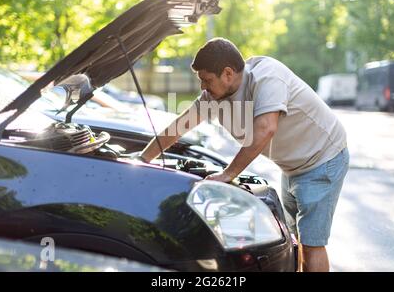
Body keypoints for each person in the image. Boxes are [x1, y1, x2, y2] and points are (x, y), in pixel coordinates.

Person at [140, 38, 349, 272]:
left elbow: (266, 129)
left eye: (207, 80)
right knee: (298, 240)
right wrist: (143, 159)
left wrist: (228, 174)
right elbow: (180, 126)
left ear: (227, 73)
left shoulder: (268, 77)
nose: (203, 87)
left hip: (323, 159)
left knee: (312, 243)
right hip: (293, 166)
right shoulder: (214, 96)